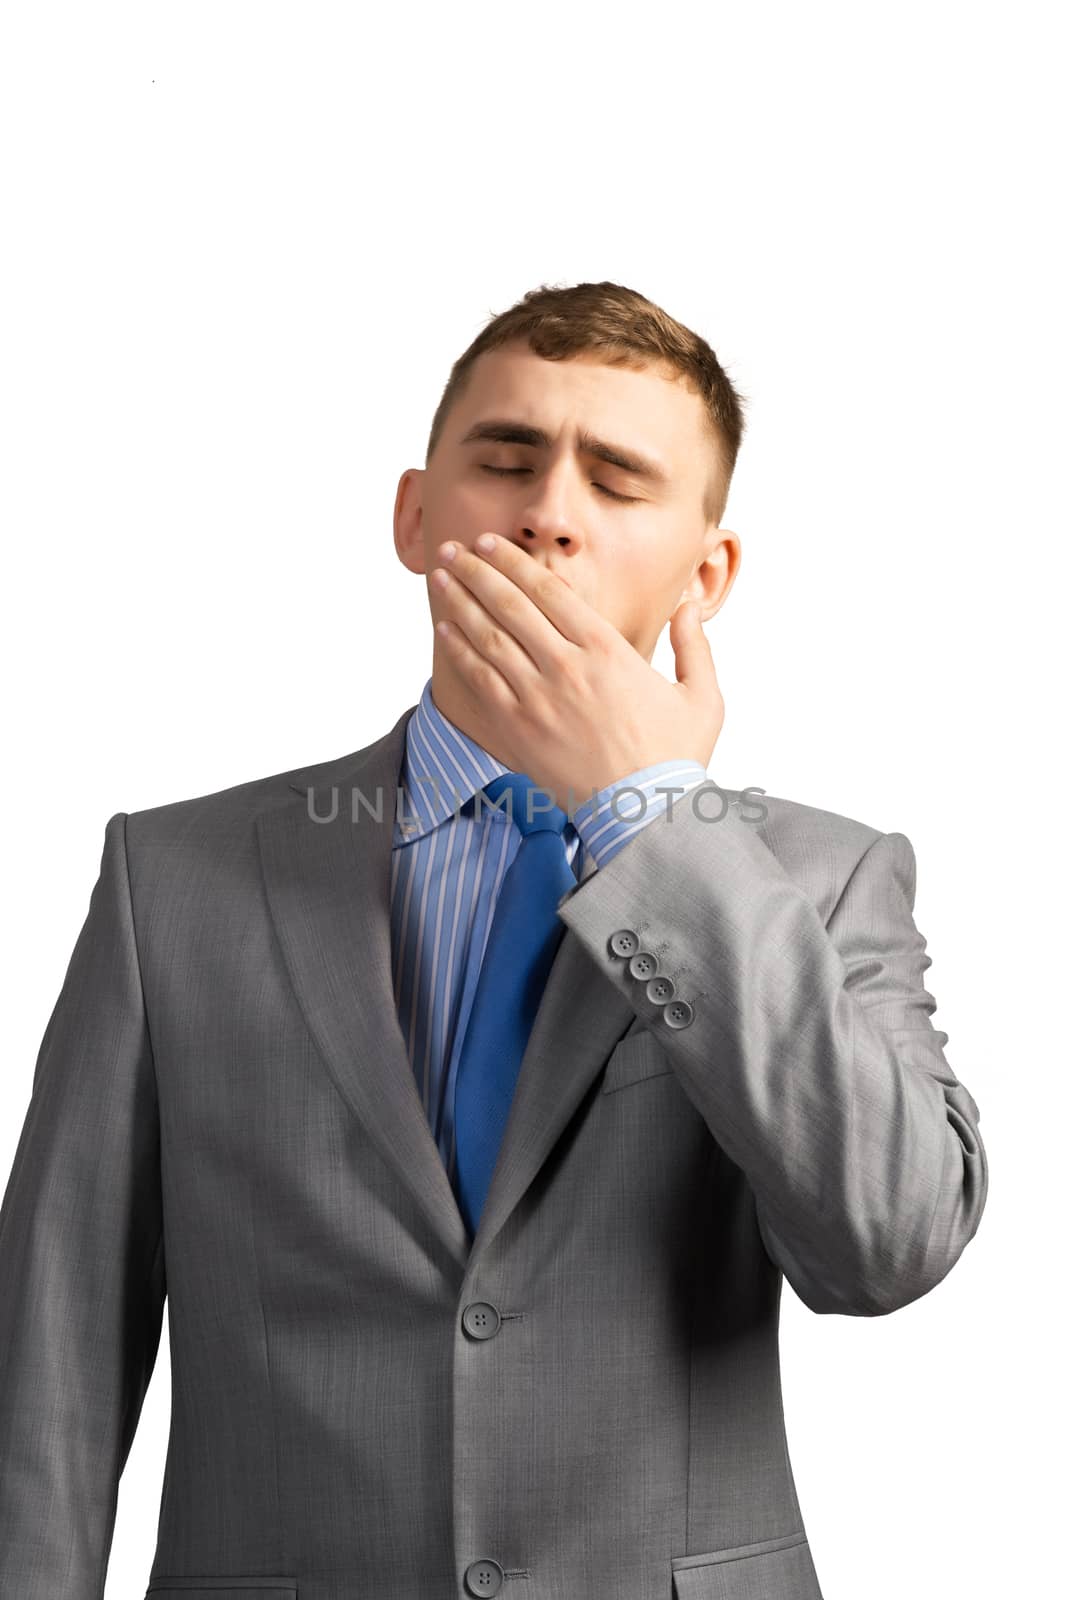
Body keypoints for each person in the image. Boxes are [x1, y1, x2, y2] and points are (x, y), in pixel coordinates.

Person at [0, 280, 989, 1600]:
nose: (550, 514)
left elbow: (888, 1246)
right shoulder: (172, 881)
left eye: (619, 479)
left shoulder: (816, 878)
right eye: (508, 460)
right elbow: (47, 1373)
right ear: (416, 517)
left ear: (710, 573)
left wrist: (653, 822)